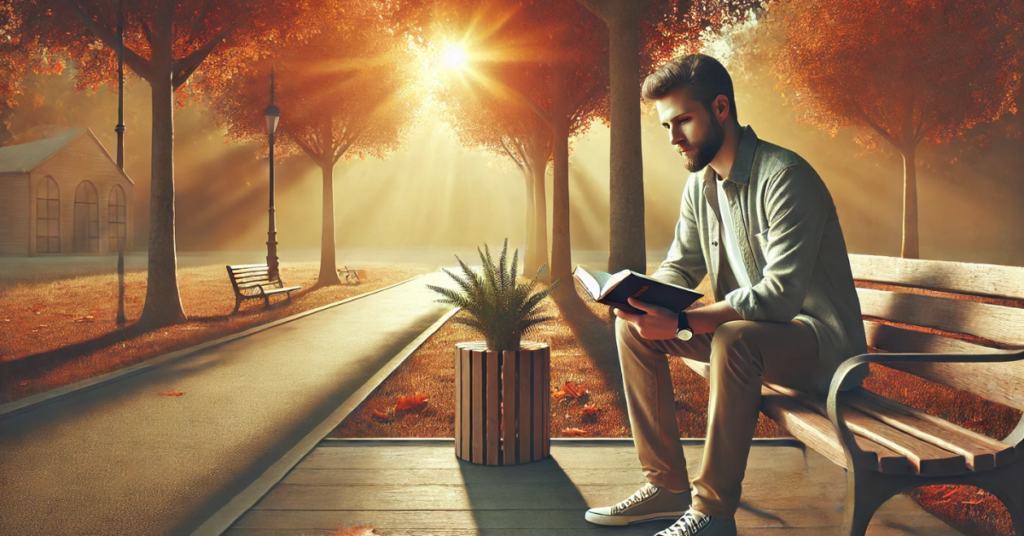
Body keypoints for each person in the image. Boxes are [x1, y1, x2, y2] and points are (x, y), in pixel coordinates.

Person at [583, 53, 869, 536]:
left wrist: (680, 323)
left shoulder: (785, 177)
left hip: (823, 353)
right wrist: (638, 299)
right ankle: (668, 487)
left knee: (735, 339)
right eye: (666, 126)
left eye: (683, 121)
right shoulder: (702, 186)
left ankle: (712, 514)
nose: (673, 138)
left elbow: (778, 297)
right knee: (631, 329)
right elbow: (682, 264)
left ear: (720, 108)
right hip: (754, 344)